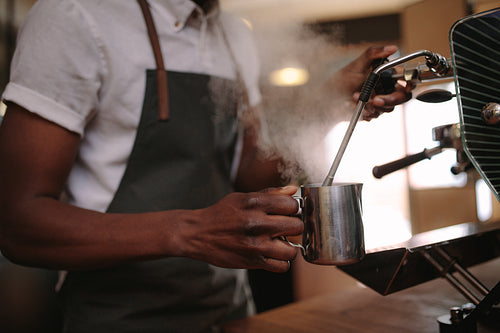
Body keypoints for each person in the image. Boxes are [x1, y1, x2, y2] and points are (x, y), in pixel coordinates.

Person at [0, 0, 413, 332]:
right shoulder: (74, 15)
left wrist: (329, 103)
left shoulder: (233, 34)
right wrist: (192, 231)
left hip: (231, 310)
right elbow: (19, 223)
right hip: (119, 316)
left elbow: (246, 172)